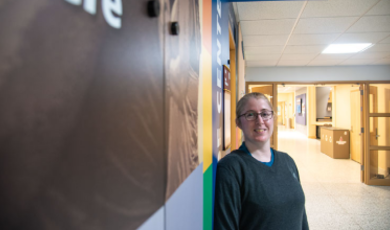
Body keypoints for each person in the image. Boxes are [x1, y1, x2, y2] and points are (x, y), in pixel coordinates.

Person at [214, 92, 309, 230]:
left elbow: (302, 219)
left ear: (273, 118)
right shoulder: (231, 169)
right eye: (250, 115)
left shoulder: (288, 162)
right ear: (239, 123)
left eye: (265, 114)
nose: (260, 121)